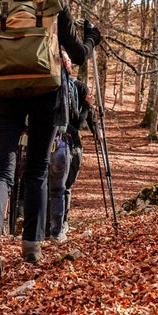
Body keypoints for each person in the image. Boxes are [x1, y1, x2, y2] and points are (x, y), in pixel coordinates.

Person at [0, 0, 101, 281]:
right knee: (38, 169)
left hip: (4, 95)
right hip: (45, 95)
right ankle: (32, 245)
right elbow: (80, 55)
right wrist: (92, 39)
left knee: (2, 169)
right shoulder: (53, 7)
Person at [45, 52, 93, 242]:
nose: (68, 64)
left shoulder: (48, 86)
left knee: (49, 186)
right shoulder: (74, 88)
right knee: (63, 188)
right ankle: (58, 228)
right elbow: (79, 122)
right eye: (67, 62)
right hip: (67, 142)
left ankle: (47, 229)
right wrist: (88, 106)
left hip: (47, 141)